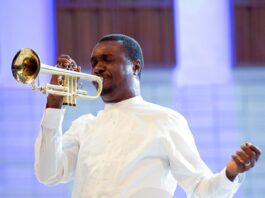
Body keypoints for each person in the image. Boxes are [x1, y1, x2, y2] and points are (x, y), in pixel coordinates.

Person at [35, 34, 261, 198]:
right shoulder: (84, 126)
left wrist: (231, 173)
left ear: (135, 67)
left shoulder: (165, 121)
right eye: (94, 62)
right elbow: (48, 174)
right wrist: (54, 106)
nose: (97, 68)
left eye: (107, 59)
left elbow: (201, 189)